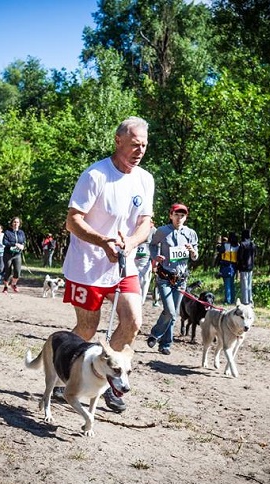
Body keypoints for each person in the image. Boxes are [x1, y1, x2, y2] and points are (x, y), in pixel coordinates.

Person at [62, 116, 154, 413]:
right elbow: (72, 221)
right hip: (87, 265)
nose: (140, 151)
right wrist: (103, 241)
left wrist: (131, 242)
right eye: (135, 144)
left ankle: (112, 383)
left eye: (144, 145)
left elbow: (146, 222)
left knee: (133, 322)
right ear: (118, 141)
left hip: (123, 263)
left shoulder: (145, 178)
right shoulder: (95, 175)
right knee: (88, 328)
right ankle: (66, 372)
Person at [146, 203, 199, 355]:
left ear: (186, 217)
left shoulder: (190, 233)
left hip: (181, 279)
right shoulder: (162, 231)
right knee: (169, 311)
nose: (179, 218)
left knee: (174, 313)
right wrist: (156, 257)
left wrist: (192, 251)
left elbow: (195, 256)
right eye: (176, 215)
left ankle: (165, 345)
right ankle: (155, 334)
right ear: (171, 216)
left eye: (182, 216)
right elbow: (153, 245)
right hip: (165, 277)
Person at [2, 217, 26, 293]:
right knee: (8, 272)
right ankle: (5, 287)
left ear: (19, 224)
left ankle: (13, 284)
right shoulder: (7, 232)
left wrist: (22, 246)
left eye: (17, 222)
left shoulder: (21, 232)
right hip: (8, 254)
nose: (16, 224)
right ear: (12, 223)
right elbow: (4, 242)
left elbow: (23, 241)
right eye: (14, 222)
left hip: (17, 254)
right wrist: (14, 244)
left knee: (17, 272)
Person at [135, 217, 156, 304]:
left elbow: (157, 246)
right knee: (136, 280)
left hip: (147, 261)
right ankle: (137, 300)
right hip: (134, 260)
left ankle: (142, 301)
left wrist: (155, 263)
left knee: (145, 281)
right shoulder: (135, 227)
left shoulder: (154, 231)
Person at [218, 233, 239, 305]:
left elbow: (220, 250)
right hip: (234, 266)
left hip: (226, 265)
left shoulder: (226, 245)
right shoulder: (238, 246)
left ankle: (227, 300)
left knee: (227, 283)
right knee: (232, 283)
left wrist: (218, 244)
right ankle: (232, 299)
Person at [237, 229, 256, 305]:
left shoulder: (242, 244)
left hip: (243, 267)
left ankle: (245, 301)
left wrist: (239, 264)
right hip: (251, 266)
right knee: (249, 284)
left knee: (244, 284)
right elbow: (255, 254)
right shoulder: (252, 244)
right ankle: (250, 300)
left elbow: (239, 256)